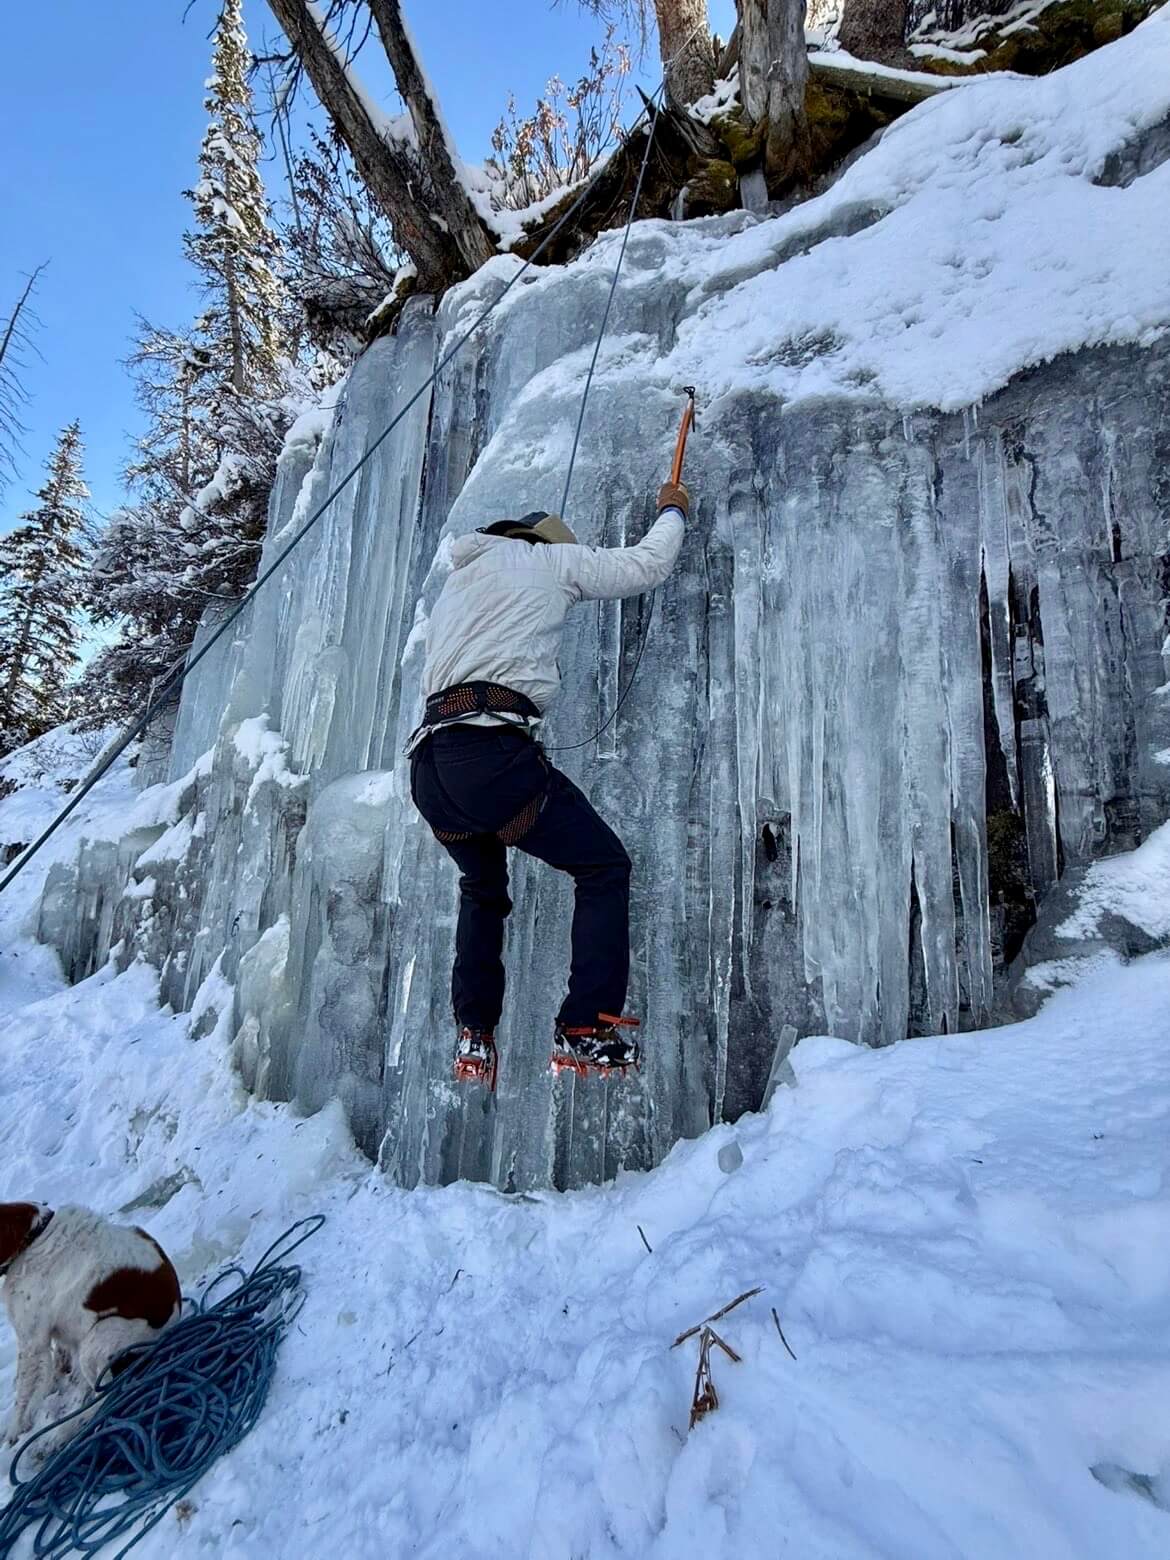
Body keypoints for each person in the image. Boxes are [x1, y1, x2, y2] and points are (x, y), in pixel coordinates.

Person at [408, 481, 690, 1091]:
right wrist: (672, 507)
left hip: (431, 768)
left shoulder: (460, 580)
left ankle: (475, 1035)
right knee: (603, 866)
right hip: (490, 757)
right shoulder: (551, 558)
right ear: (542, 541)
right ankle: (584, 1028)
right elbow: (648, 564)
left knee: (481, 890)